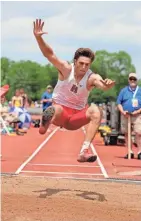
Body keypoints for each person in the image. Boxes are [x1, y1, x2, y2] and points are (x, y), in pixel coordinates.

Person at [33, 19, 115, 163]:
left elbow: (101, 84)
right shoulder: (66, 69)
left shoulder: (91, 77)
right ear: (75, 61)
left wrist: (107, 85)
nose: (84, 67)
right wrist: (38, 37)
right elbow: (49, 54)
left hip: (76, 117)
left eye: (87, 64)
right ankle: (45, 124)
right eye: (81, 63)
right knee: (55, 108)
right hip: (60, 113)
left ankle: (84, 151)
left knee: (96, 110)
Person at [117, 73, 141, 160]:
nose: (132, 81)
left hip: (137, 115)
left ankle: (139, 152)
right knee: (127, 134)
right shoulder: (123, 91)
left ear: (136, 80)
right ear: (128, 80)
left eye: (134, 79)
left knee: (139, 133)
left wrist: (138, 111)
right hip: (125, 115)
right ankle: (129, 151)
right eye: (131, 79)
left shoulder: (140, 91)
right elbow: (119, 103)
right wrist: (123, 111)